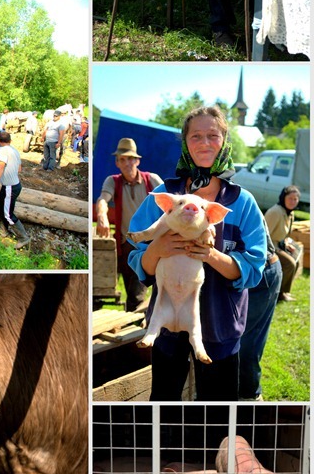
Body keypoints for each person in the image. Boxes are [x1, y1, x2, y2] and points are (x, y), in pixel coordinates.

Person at [127, 106, 266, 400]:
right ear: (185, 143)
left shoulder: (242, 202)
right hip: (166, 326)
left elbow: (254, 267)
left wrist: (210, 254)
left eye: (213, 136)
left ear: (225, 140)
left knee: (216, 409)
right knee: (163, 401)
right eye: (196, 136)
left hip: (221, 328)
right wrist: (157, 248)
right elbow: (138, 256)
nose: (204, 143)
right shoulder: (167, 195)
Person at [96, 138, 163, 312]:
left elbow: (170, 202)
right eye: (122, 159)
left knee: (138, 296)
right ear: (117, 163)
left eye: (131, 159)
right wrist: (102, 215)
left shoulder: (152, 180)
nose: (127, 163)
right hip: (126, 246)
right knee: (103, 289)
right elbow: (103, 198)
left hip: (149, 246)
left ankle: (137, 332)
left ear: (138, 161)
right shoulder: (113, 181)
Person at [238, 217, 282, 399]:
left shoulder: (240, 201)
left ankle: (249, 396)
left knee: (247, 341)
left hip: (261, 274)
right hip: (240, 273)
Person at [0, 130, 29, 248]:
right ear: (10, 141)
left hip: (10, 187)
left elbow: (0, 169)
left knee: (8, 214)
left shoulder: (3, 151)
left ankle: (23, 238)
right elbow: (19, 169)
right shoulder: (14, 150)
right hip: (13, 185)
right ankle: (3, 230)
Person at [264, 185, 304, 302]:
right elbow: (265, 236)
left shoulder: (290, 213)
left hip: (279, 244)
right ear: (283, 198)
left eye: (295, 199)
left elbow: (286, 234)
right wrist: (274, 251)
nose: (293, 201)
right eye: (290, 198)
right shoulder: (275, 212)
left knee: (296, 258)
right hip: (269, 247)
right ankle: (279, 293)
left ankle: (284, 291)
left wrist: (286, 243)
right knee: (290, 263)